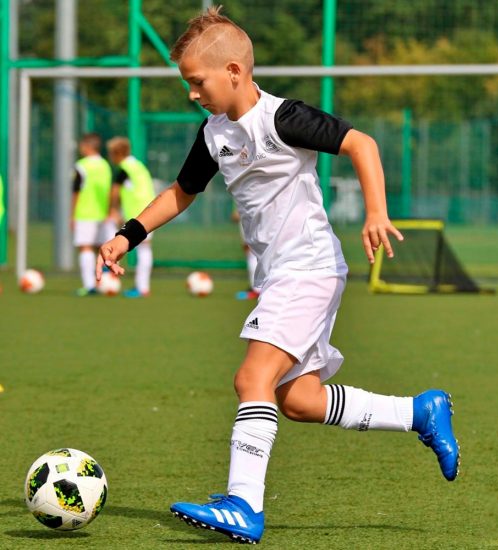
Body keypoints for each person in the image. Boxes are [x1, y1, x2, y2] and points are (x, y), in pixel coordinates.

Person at [97, 6, 459, 544]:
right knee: (298, 400)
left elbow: (362, 143)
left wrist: (377, 212)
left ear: (235, 72)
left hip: (308, 269)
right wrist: (129, 233)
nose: (193, 93)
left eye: (198, 82)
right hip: (285, 276)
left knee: (252, 380)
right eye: (188, 84)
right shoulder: (213, 132)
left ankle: (244, 503)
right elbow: (181, 192)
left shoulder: (281, 117)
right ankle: (419, 411)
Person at [106, 137, 155, 298]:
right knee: (145, 248)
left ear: (116, 153)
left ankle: (140, 287)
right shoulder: (138, 166)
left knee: (138, 248)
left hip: (137, 214)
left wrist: (113, 210)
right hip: (151, 210)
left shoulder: (124, 168)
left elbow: (115, 191)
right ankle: (143, 287)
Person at [72, 133, 112, 296]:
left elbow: (76, 191)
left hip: (85, 212)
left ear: (88, 146)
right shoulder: (105, 165)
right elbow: (110, 190)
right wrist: (109, 210)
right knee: (101, 249)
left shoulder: (81, 165)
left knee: (85, 247)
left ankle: (89, 285)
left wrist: (72, 214)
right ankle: (106, 282)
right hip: (102, 213)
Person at [232, 207, 261, 300]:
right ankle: (256, 288)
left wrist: (238, 212)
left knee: (252, 252)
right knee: (251, 252)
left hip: (253, 218)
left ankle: (256, 290)